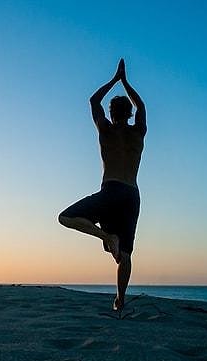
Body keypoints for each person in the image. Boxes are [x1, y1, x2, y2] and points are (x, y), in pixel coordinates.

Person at [58, 58, 146, 312]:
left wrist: (114, 80)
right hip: (131, 194)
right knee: (125, 255)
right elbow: (141, 104)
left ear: (110, 114)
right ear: (129, 114)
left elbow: (93, 101)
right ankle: (120, 299)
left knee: (66, 217)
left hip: (111, 191)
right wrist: (127, 83)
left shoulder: (105, 130)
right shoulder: (138, 132)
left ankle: (106, 235)